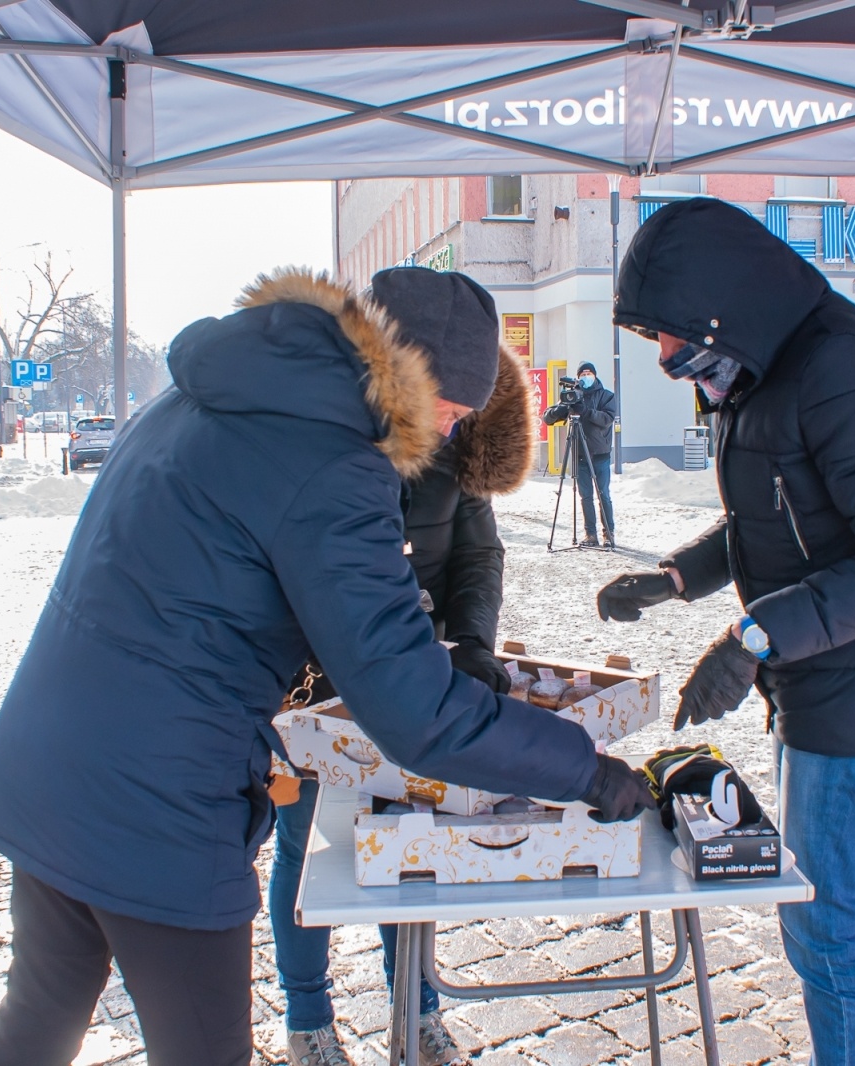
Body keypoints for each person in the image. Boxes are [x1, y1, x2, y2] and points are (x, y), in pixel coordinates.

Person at [0, 267, 654, 1066]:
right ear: (416, 379)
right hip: (157, 796)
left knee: (37, 1022)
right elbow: (414, 711)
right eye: (452, 415)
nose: (447, 436)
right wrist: (587, 771)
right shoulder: (334, 461)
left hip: (46, 759)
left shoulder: (205, 394)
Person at [595, 199, 855, 1066]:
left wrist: (752, 639)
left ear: (721, 307)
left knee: (821, 915)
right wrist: (675, 578)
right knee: (841, 902)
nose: (668, 359)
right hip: (820, 670)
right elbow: (771, 519)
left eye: (673, 338)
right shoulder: (761, 366)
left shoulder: (844, 371)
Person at [268, 266, 533, 1066]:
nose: (451, 429)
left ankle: (416, 1012)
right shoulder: (324, 435)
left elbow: (478, 553)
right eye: (445, 411)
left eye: (461, 416)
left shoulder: (459, 437)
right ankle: (308, 1021)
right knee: (301, 847)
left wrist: (473, 644)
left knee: (407, 841)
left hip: (413, 673)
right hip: (309, 683)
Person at [542, 361, 618, 547]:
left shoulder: (606, 396)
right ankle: (590, 535)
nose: (586, 376)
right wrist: (562, 409)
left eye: (589, 373)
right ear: (577, 377)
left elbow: (607, 419)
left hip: (600, 454)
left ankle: (608, 534)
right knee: (586, 497)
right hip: (580, 454)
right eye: (582, 374)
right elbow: (548, 418)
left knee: (603, 495)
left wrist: (587, 412)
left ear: (595, 375)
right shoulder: (573, 396)